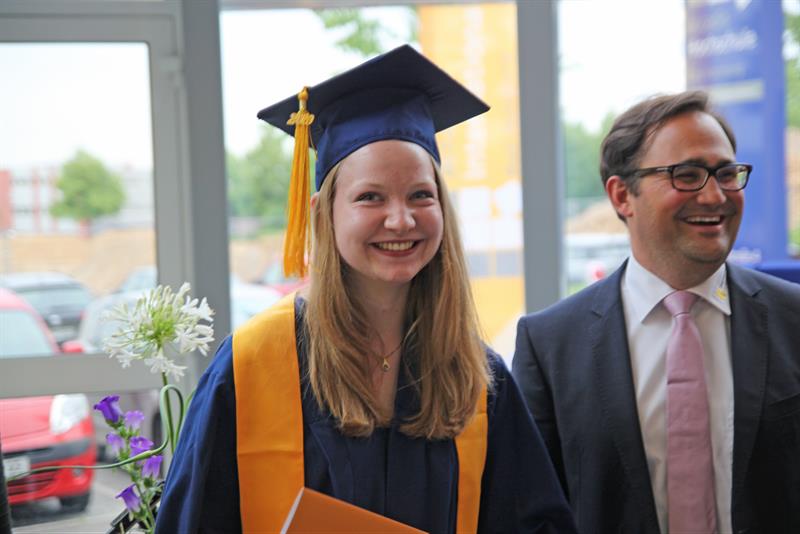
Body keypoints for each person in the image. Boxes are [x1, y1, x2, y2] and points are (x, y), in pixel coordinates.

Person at [155, 45, 576, 534]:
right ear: (322, 212)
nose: (401, 219)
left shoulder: (478, 379)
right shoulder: (252, 365)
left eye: (421, 194)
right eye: (370, 197)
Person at [512, 90, 800, 534]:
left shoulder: (793, 320)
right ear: (622, 196)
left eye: (725, 173)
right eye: (686, 175)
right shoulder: (550, 346)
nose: (713, 196)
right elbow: (534, 513)